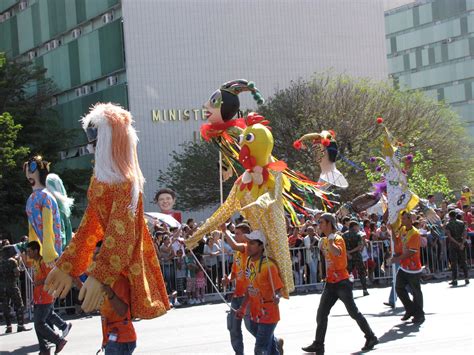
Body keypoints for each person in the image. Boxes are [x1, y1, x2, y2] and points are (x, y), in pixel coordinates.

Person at [302, 213, 377, 355]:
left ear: (329, 223)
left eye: (322, 222)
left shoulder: (337, 238)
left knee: (353, 312)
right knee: (321, 313)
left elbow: (337, 253)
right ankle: (319, 344)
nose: (319, 225)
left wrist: (329, 243)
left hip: (342, 282)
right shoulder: (324, 240)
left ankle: (371, 337)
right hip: (330, 283)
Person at [236, 230, 284, 355]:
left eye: (252, 243)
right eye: (248, 242)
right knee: (270, 347)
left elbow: (278, 289)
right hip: (255, 313)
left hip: (268, 313)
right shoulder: (249, 262)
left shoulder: (269, 266)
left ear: (261, 246)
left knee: (260, 348)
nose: (248, 246)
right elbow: (249, 288)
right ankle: (275, 343)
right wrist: (242, 307)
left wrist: (277, 297)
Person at [94, 241, 136, 354]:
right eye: (94, 255)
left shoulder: (118, 280)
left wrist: (109, 291)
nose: (94, 259)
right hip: (111, 337)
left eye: (98, 255)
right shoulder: (102, 279)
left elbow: (122, 311)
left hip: (122, 338)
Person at [27, 241, 67, 355]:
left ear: (35, 251)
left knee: (39, 323)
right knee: (38, 324)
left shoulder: (44, 261)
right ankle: (44, 349)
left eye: (30, 251)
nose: (28, 253)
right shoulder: (36, 262)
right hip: (38, 297)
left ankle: (58, 341)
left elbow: (51, 277)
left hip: (45, 296)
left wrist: (39, 282)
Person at [221, 223, 252, 355]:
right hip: (237, 295)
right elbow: (234, 272)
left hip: (248, 296)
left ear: (246, 235)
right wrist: (228, 279)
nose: (235, 235)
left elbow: (234, 245)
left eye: (238, 233)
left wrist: (225, 231)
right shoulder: (237, 254)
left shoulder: (246, 247)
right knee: (233, 328)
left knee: (252, 328)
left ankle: (273, 344)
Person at [390, 212, 425, 324]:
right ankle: (410, 309)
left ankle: (419, 314)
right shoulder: (402, 230)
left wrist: (398, 258)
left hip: (413, 267)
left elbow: (411, 251)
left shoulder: (415, 233)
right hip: (404, 266)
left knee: (416, 291)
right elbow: (397, 241)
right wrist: (391, 231)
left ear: (410, 219)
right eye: (402, 218)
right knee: (399, 288)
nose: (402, 220)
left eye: (404, 218)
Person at [0, 245, 27, 333]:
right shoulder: (12, 261)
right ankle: (20, 325)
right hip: (12, 285)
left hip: (2, 287)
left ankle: (8, 326)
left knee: (5, 306)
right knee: (19, 305)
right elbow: (17, 273)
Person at [342, 220, 369, 296]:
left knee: (347, 274)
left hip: (348, 257)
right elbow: (359, 247)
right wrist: (351, 252)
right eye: (357, 226)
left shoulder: (343, 235)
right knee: (362, 273)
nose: (358, 228)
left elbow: (342, 247)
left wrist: (348, 253)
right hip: (357, 256)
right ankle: (364, 289)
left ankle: (347, 291)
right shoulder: (358, 235)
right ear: (354, 227)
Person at [445, 210, 469, 286]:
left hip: (453, 244)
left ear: (450, 216)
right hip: (461, 242)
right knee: (463, 261)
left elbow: (449, 236)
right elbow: (465, 233)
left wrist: (457, 243)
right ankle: (466, 278)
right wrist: (461, 243)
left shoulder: (448, 224)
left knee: (454, 262)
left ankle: (455, 279)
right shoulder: (462, 223)